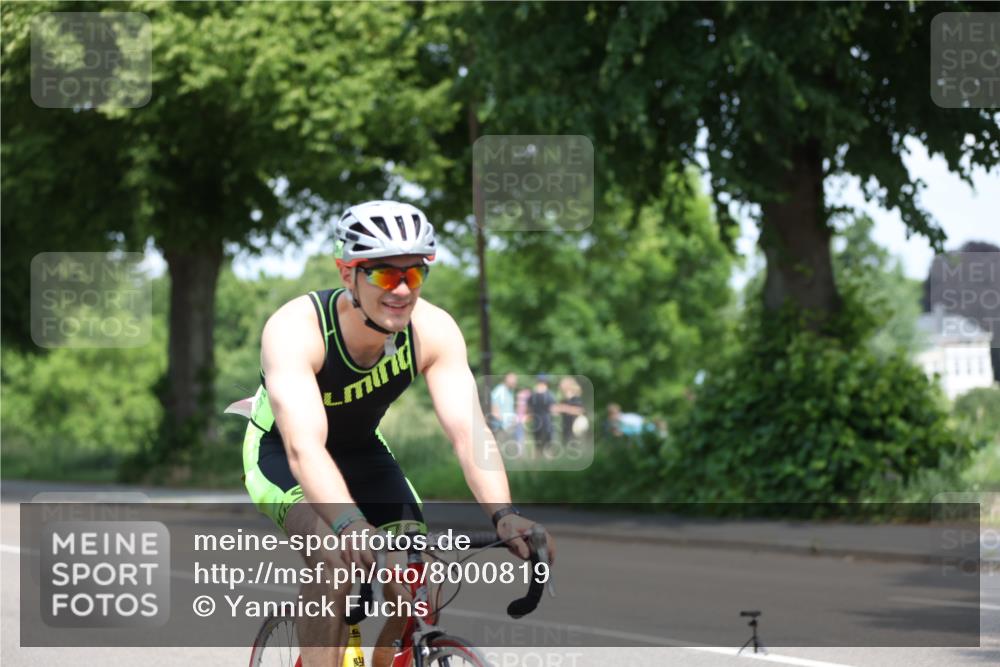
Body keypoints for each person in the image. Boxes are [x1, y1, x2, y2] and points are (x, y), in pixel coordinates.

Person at [241, 200, 554, 667]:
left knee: (417, 571)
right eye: (386, 275)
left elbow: (470, 433)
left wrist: (503, 514)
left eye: (415, 274)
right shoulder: (296, 329)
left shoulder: (433, 330)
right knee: (332, 556)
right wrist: (348, 523)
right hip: (282, 456)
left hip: (363, 450)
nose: (403, 290)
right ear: (348, 274)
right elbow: (304, 447)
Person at [489, 372, 519, 453]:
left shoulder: (509, 391)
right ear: (506, 379)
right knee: (500, 453)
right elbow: (494, 411)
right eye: (513, 380)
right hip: (501, 429)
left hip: (508, 428)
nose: (515, 382)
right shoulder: (499, 391)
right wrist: (504, 424)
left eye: (515, 380)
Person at [527, 374, 556, 458]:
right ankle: (550, 469)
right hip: (547, 423)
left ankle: (536, 469)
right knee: (548, 448)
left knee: (537, 447)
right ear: (546, 382)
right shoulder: (549, 395)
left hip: (536, 423)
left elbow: (529, 410)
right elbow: (553, 410)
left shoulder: (532, 395)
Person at [553, 376, 586, 445]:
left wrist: (564, 408)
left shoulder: (576, 398)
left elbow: (580, 411)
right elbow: (557, 412)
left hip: (575, 429)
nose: (560, 387)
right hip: (566, 429)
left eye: (562, 385)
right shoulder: (563, 400)